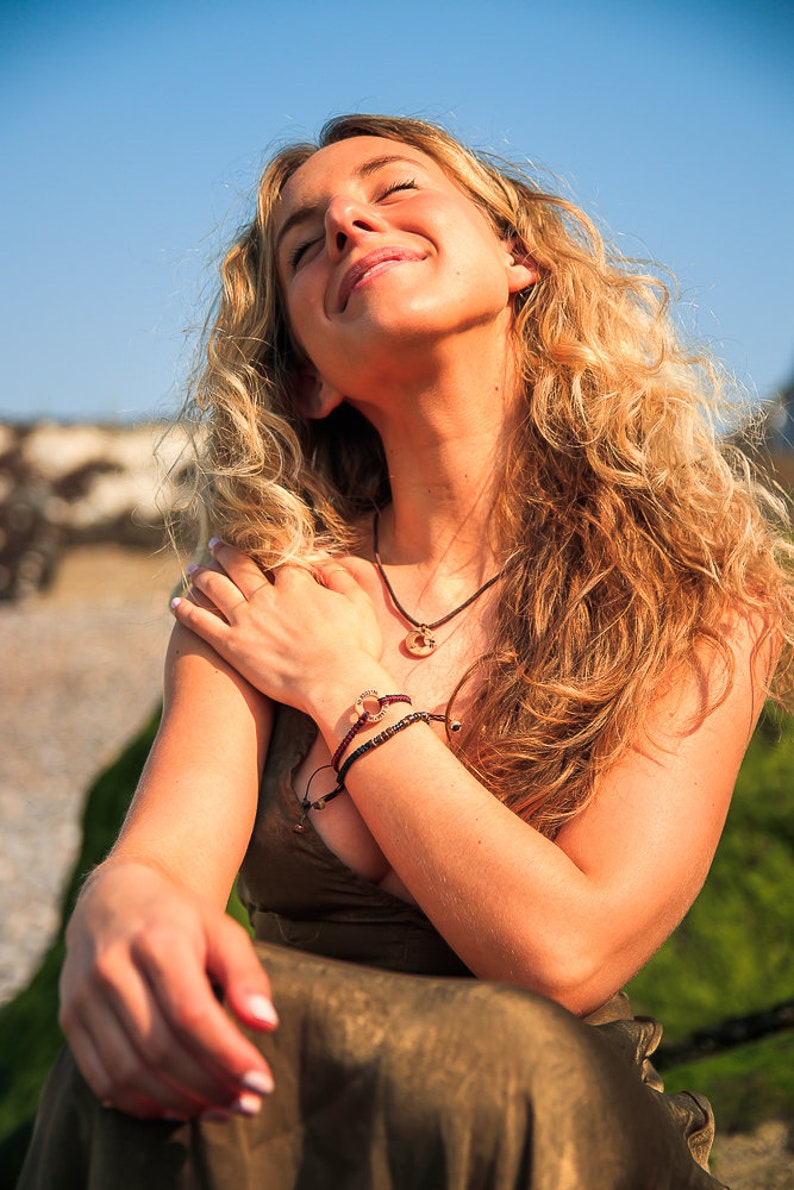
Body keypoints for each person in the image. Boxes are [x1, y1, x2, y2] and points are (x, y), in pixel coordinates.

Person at [20, 114, 794, 1188]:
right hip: (275, 1111)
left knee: (519, 1057)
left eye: (393, 188)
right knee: (122, 1072)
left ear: (517, 259)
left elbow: (565, 953)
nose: (345, 220)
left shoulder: (705, 590)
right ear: (308, 383)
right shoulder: (262, 582)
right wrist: (119, 910)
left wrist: (345, 686)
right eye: (303, 245)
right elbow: (161, 861)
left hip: (553, 1127)